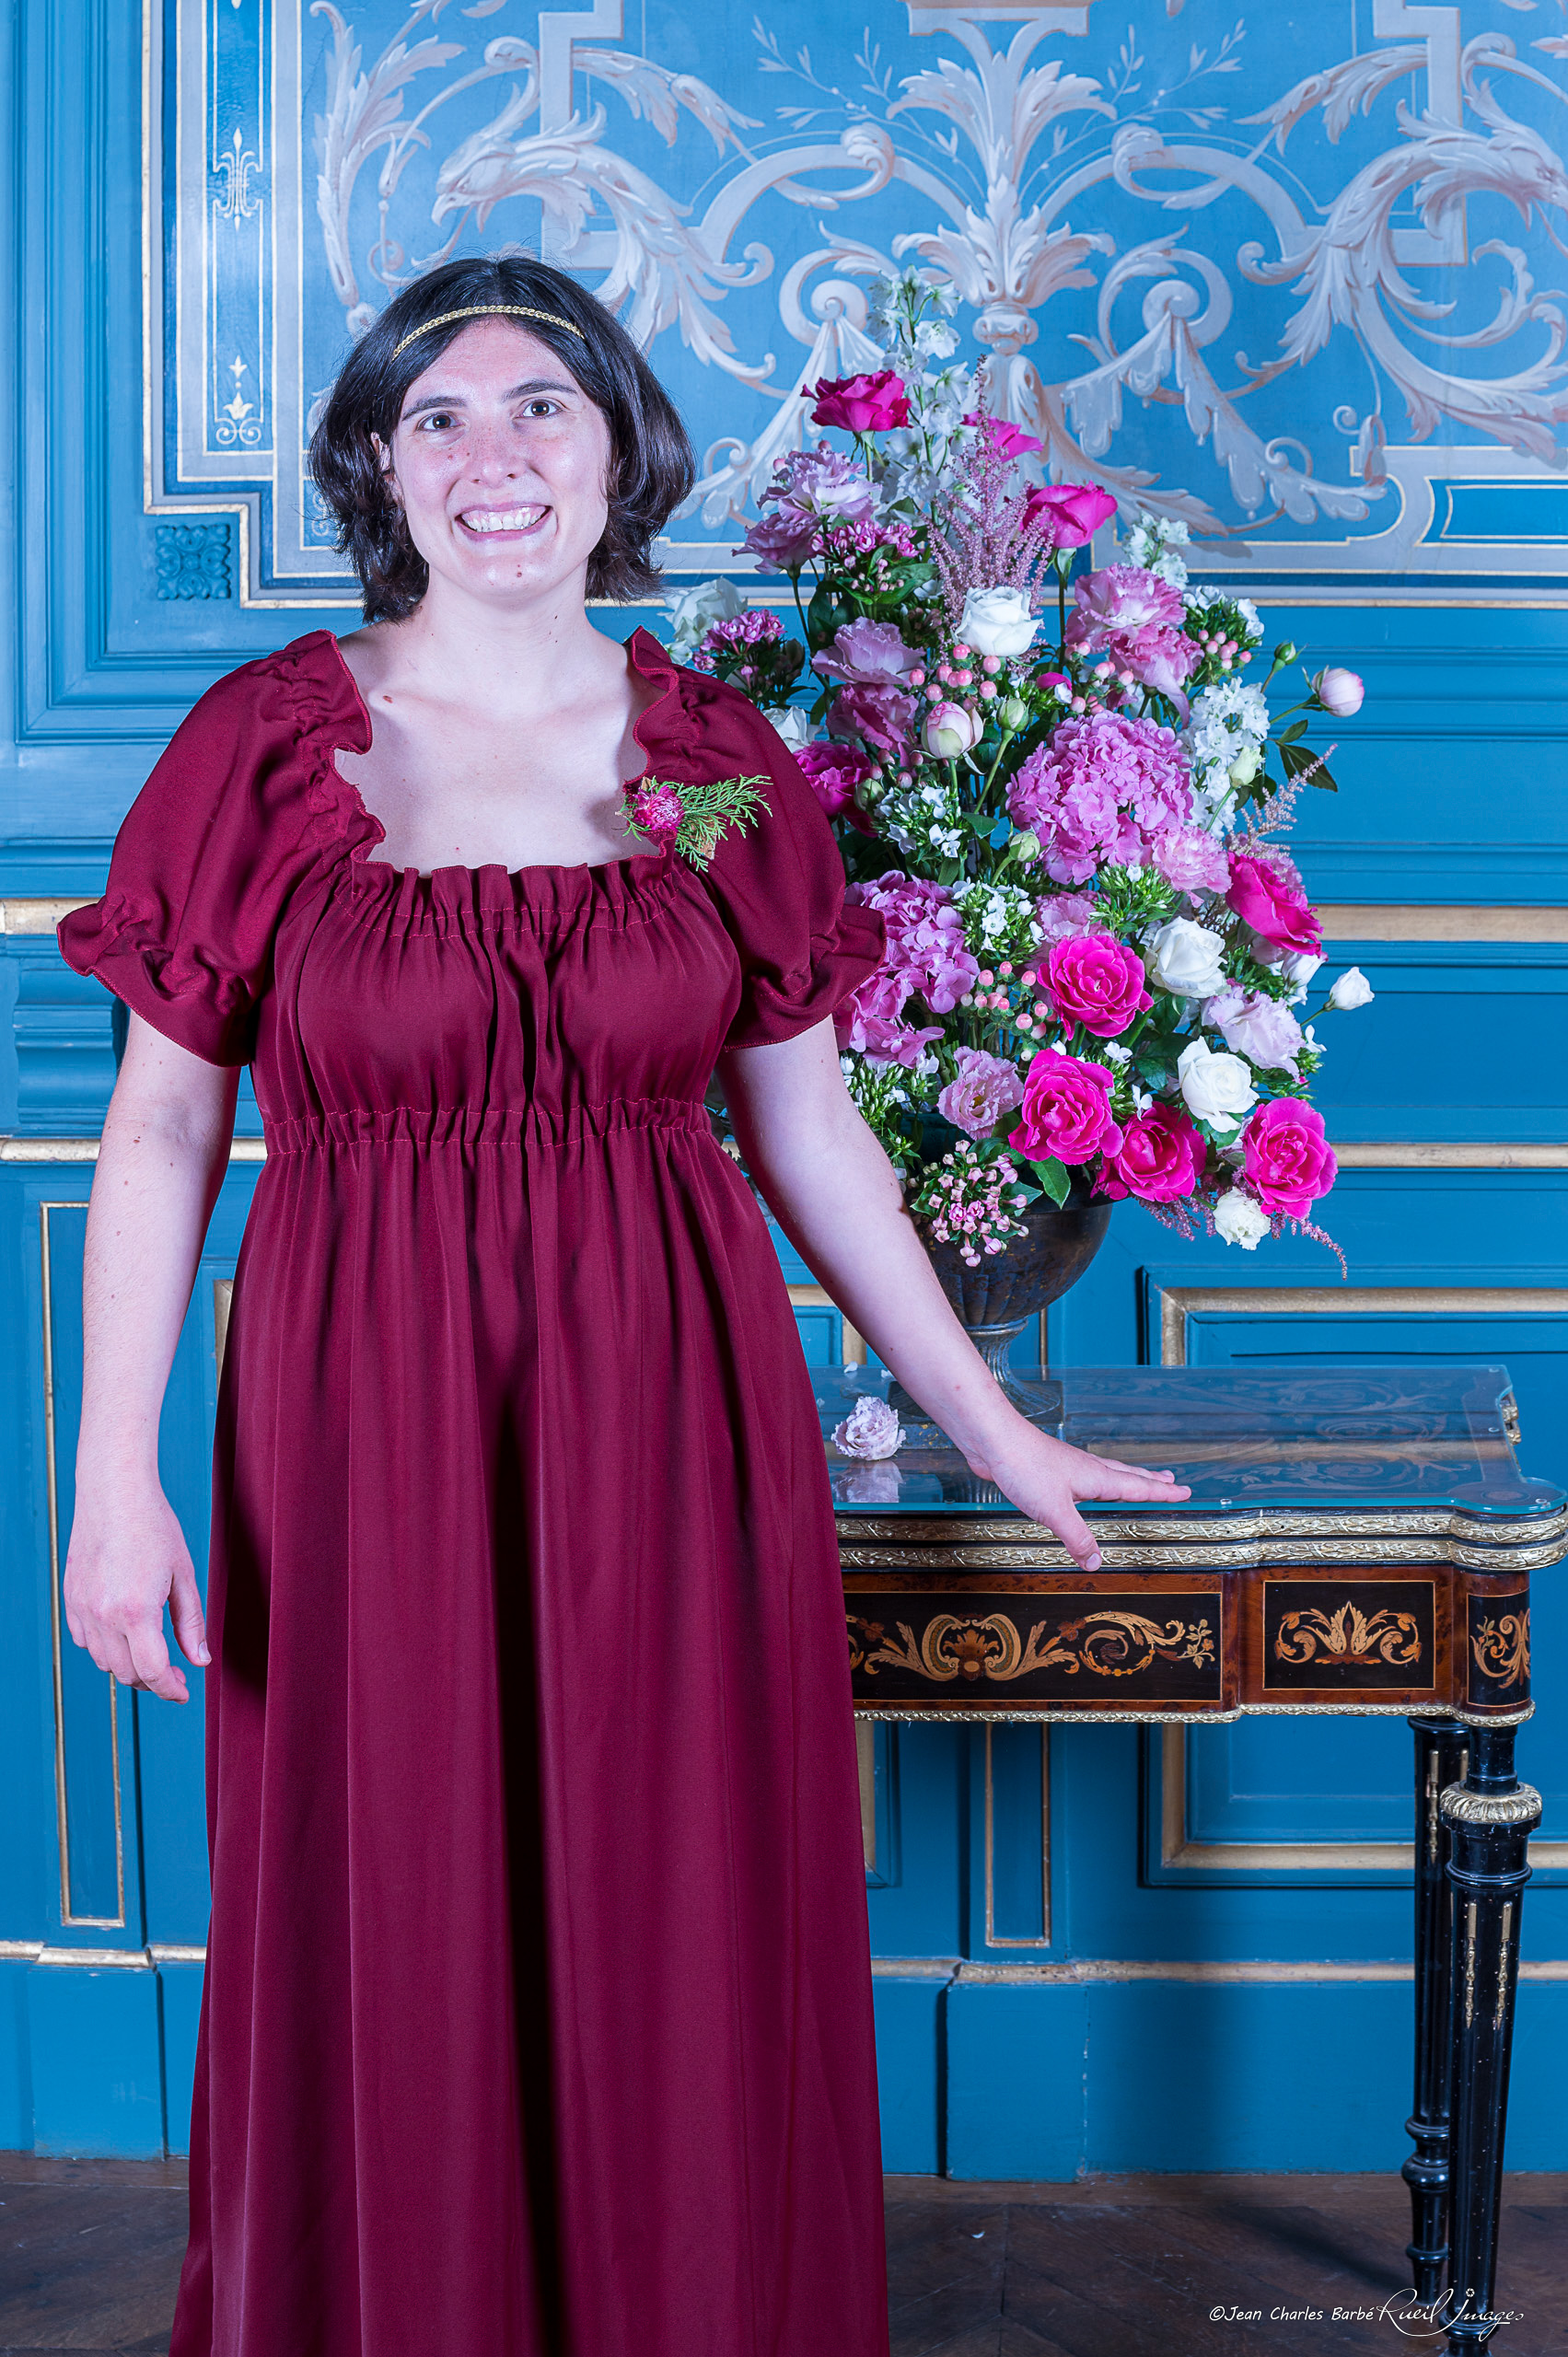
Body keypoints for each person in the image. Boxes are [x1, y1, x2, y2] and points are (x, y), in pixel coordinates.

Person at [56, 254, 1188, 2357]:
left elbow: (813, 1138)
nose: (493, 457)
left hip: (671, 1409)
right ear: (381, 465)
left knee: (670, 1894)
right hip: (357, 1410)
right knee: (386, 1888)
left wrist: (997, 1426)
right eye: (440, 417)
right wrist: (110, 1483)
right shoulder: (262, 751)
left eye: (541, 409)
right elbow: (158, 1130)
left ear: (620, 452)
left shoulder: (717, 762)